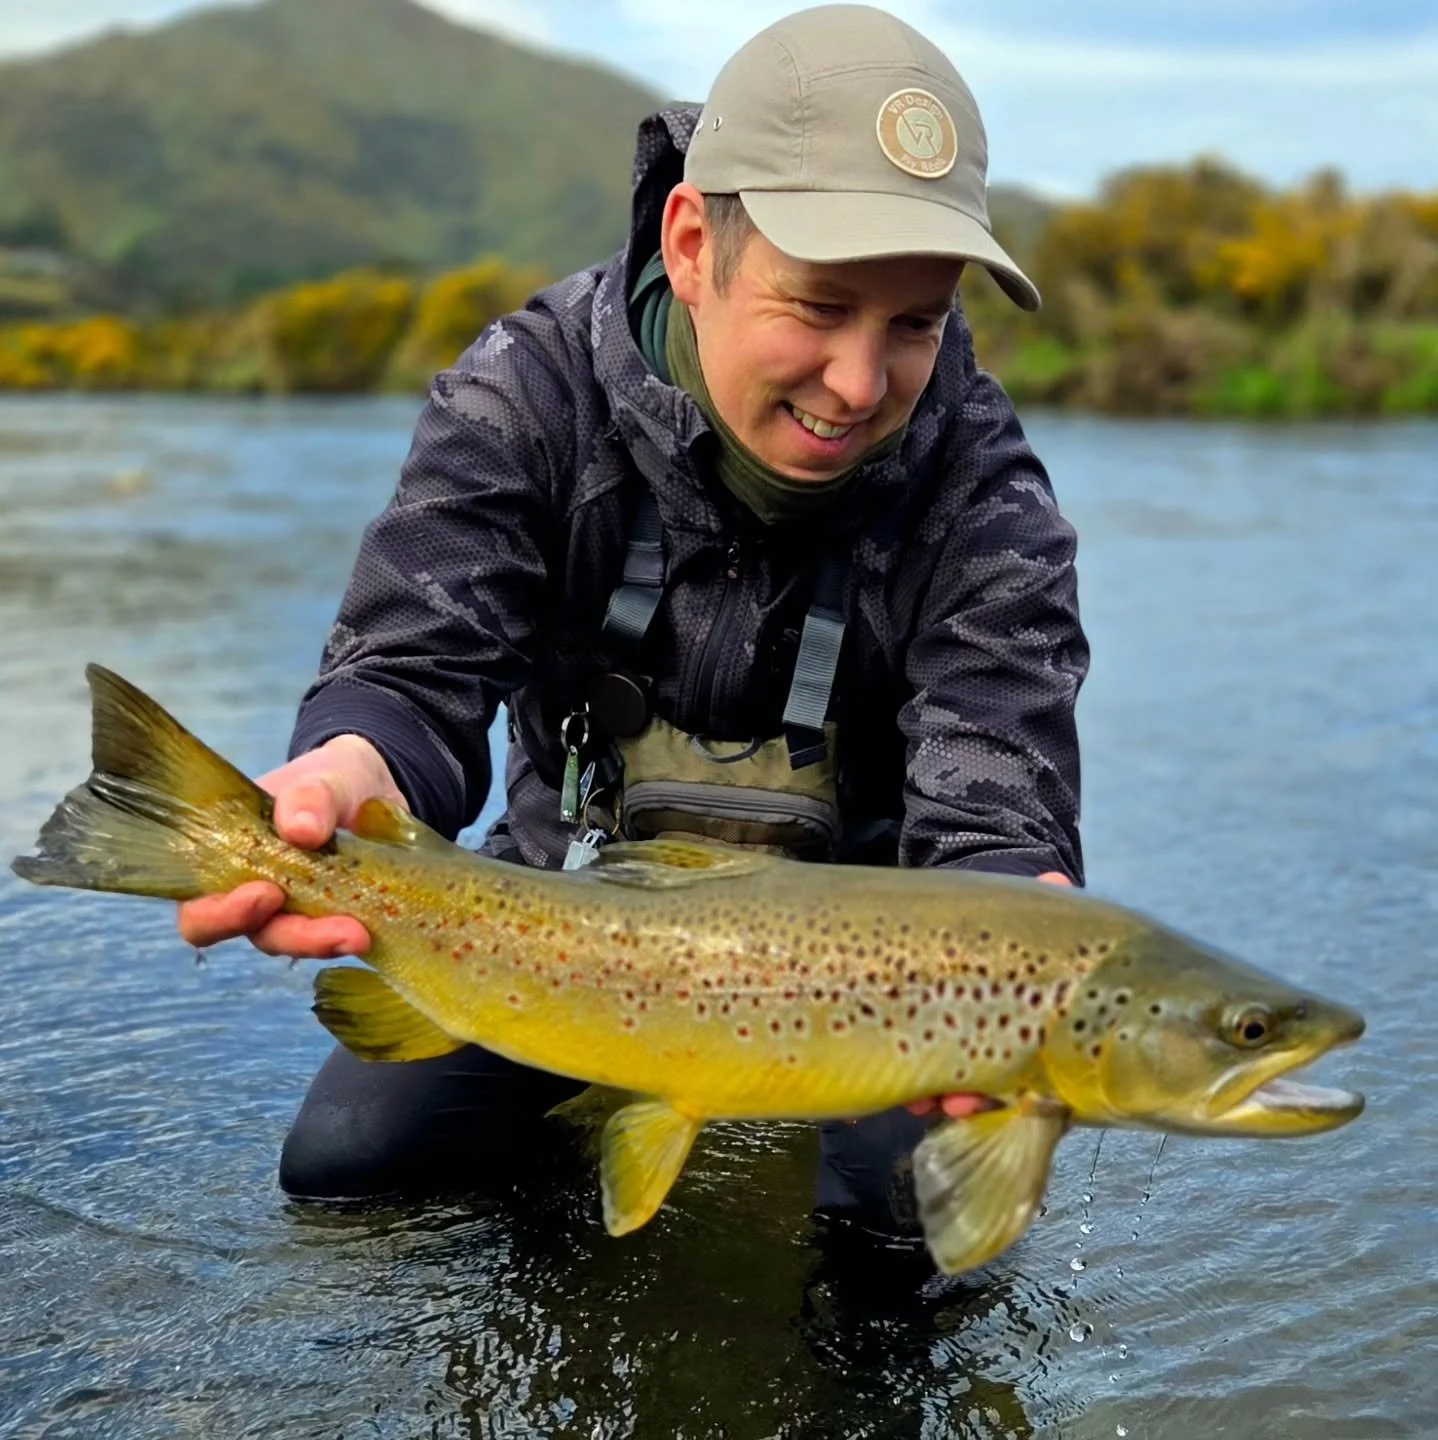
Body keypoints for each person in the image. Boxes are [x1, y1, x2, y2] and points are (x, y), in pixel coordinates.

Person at [178, 3, 1088, 1239]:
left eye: (914, 323)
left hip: (869, 978)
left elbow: (994, 803)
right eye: (818, 307)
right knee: (351, 1169)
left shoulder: (984, 493)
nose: (858, 383)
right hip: (560, 921)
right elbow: (414, 666)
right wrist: (351, 763)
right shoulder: (529, 393)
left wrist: (1023, 935)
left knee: (904, 1233)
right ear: (693, 245)